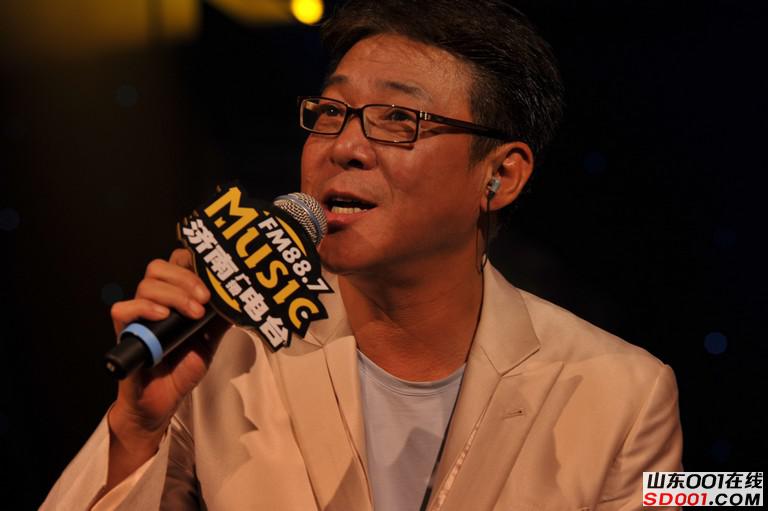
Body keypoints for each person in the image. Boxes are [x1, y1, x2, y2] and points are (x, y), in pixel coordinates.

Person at [42, 0, 682, 509]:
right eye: (330, 112)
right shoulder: (226, 344)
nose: (343, 146)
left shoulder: (624, 392)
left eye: (398, 118)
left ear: (500, 176)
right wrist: (135, 430)